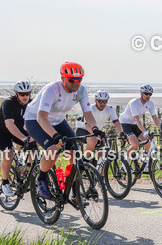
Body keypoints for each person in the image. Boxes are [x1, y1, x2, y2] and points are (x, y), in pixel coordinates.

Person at [24, 63, 103, 199]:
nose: (76, 84)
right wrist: (55, 136)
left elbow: (88, 115)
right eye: (72, 80)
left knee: (75, 153)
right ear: (63, 78)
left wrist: (96, 130)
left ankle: (74, 193)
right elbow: (41, 117)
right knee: (53, 149)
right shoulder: (52, 90)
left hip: (58, 121)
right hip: (35, 120)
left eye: (79, 80)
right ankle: (41, 179)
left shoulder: (81, 91)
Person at [0, 81, 34, 197]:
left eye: (27, 94)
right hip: (1, 131)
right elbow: (9, 124)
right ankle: (4, 183)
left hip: (17, 129)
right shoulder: (8, 103)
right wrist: (24, 138)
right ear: (16, 94)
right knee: (8, 155)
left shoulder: (30, 104)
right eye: (22, 94)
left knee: (34, 144)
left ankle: (28, 169)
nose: (25, 96)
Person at [78, 91, 122, 161]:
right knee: (93, 140)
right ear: (96, 101)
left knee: (102, 157)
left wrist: (122, 133)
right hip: (84, 130)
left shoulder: (110, 109)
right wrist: (98, 136)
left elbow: (116, 122)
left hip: (97, 132)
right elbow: (87, 126)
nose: (102, 104)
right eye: (100, 101)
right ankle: (84, 160)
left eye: (105, 102)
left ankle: (101, 171)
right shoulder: (90, 109)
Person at [119, 84, 162, 157]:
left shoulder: (150, 103)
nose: (148, 96)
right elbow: (136, 119)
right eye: (146, 94)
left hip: (134, 124)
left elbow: (155, 118)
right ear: (141, 93)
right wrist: (144, 131)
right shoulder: (134, 102)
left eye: (150, 94)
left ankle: (145, 161)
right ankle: (126, 164)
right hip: (125, 123)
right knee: (135, 144)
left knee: (147, 142)